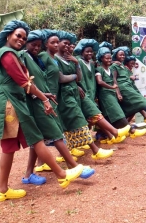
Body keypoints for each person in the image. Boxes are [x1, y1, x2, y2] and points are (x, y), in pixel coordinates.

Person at [0, 21, 84, 201]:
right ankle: (62, 175)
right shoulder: (8, 55)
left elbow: (24, 83)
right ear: (9, 35)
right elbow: (24, 82)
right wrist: (44, 98)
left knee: (10, 147)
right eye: (18, 35)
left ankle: (2, 190)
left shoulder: (12, 54)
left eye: (24, 37)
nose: (21, 39)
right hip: (10, 103)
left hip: (10, 100)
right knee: (35, 138)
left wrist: (42, 94)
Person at [20, 30, 95, 183]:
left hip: (46, 98)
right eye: (33, 44)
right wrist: (42, 96)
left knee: (38, 139)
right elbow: (27, 81)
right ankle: (73, 167)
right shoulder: (27, 57)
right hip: (38, 100)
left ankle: (28, 175)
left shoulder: (36, 58)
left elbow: (42, 78)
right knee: (55, 134)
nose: (36, 47)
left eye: (38, 45)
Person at [55, 31, 129, 153]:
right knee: (76, 120)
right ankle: (101, 142)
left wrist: (76, 65)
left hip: (80, 92)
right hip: (68, 94)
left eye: (70, 44)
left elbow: (78, 76)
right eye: (65, 43)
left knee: (87, 116)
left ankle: (109, 136)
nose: (68, 47)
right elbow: (63, 78)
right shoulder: (54, 59)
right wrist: (75, 80)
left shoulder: (72, 60)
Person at [95, 47, 146, 139]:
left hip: (112, 93)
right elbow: (99, 82)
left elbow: (114, 79)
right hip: (105, 95)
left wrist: (116, 91)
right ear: (101, 59)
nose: (109, 60)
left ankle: (107, 135)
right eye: (106, 58)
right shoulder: (99, 69)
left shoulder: (110, 69)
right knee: (117, 113)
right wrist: (112, 87)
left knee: (109, 116)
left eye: (110, 58)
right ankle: (131, 131)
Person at [110, 47, 146, 122]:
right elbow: (114, 79)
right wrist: (118, 93)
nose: (122, 56)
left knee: (135, 106)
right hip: (123, 88)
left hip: (128, 86)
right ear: (116, 56)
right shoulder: (114, 66)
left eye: (123, 55)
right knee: (140, 100)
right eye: (120, 55)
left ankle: (141, 119)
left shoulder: (122, 65)